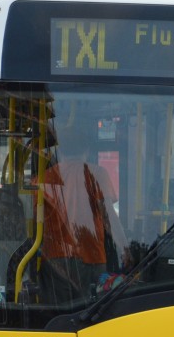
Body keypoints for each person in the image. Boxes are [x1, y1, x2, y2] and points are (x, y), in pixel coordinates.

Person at [40, 127, 128, 303]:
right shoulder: (97, 174)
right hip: (92, 255)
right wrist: (124, 248)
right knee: (92, 311)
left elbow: (37, 222)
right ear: (87, 150)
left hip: (56, 259)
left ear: (59, 150)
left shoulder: (46, 178)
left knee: (60, 311)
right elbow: (108, 216)